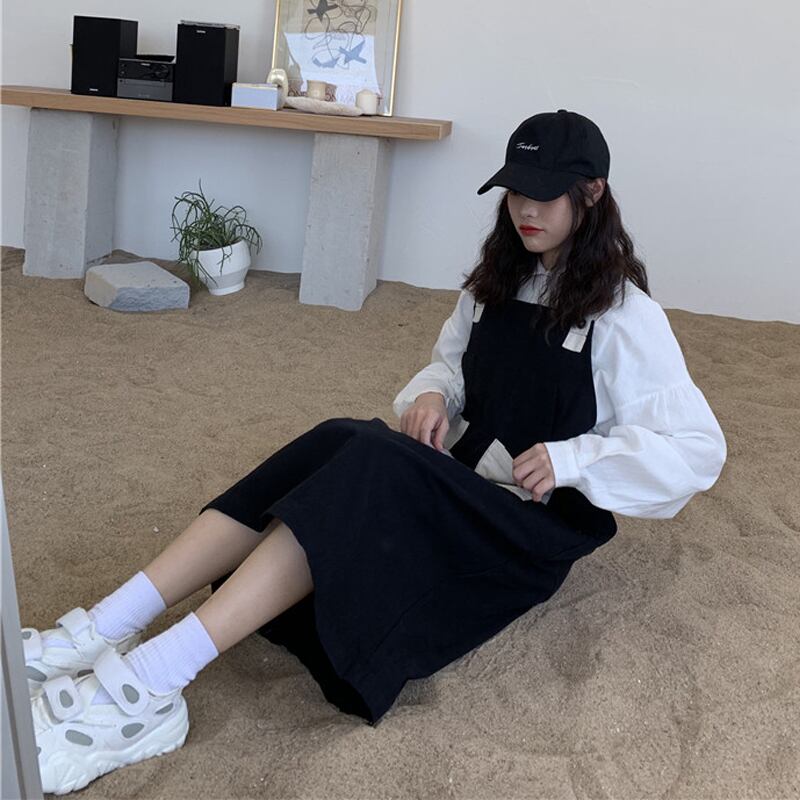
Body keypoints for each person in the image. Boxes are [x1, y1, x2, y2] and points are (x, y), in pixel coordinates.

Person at [22, 109, 727, 795]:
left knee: (371, 462)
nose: (525, 209)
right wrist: (433, 397)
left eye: (544, 193)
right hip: (460, 485)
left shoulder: (625, 315)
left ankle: (151, 682)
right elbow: (450, 367)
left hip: (524, 528)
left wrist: (576, 461)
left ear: (592, 193)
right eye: (515, 190)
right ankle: (107, 625)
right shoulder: (496, 284)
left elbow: (697, 449)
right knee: (342, 436)